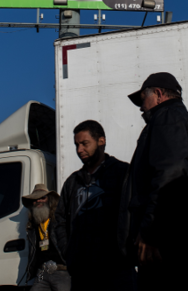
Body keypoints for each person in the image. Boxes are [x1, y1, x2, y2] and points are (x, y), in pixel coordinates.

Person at [121, 72, 188, 291]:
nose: (140, 108)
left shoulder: (167, 118)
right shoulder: (183, 120)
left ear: (158, 94)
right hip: (181, 246)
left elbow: (169, 176)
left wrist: (149, 232)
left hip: (169, 249)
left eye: (142, 99)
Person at [53, 121, 133, 291]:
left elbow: (136, 211)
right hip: (83, 273)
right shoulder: (73, 182)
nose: (79, 150)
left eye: (84, 143)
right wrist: (68, 252)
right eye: (76, 145)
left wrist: (126, 249)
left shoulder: (123, 173)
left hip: (117, 270)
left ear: (101, 141)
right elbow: (58, 219)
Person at [22, 184, 70, 291]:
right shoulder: (33, 228)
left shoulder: (60, 221)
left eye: (42, 198)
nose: (38, 201)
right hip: (42, 273)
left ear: (49, 200)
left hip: (61, 271)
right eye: (34, 199)